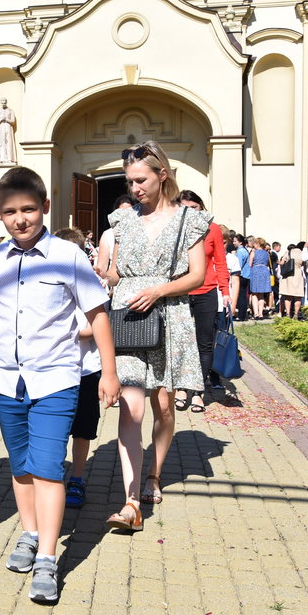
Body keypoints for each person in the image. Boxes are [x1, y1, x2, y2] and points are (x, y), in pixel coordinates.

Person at [0, 167, 119, 603]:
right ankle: (29, 533)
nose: (20, 219)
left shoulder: (68, 255)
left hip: (56, 380)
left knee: (47, 467)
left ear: (45, 207)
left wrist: (109, 371)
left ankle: (47, 557)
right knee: (21, 465)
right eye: (10, 212)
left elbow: (98, 313)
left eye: (28, 209)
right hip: (7, 379)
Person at [104, 141, 208, 532]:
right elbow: (116, 272)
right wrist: (103, 277)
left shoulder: (189, 220)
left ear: (162, 175)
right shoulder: (122, 220)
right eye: (130, 182)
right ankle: (131, 502)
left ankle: (154, 474)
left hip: (169, 316)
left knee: (163, 405)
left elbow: (197, 275)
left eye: (141, 180)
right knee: (130, 408)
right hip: (129, 319)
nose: (135, 189)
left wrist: (158, 290)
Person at [54, 227, 106, 510]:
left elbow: (95, 326)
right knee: (55, 429)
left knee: (83, 429)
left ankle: (76, 477)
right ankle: (52, 477)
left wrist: (61, 333)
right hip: (55, 369)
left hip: (85, 369)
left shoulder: (91, 282)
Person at [174, 190, 228, 412]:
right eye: (185, 208)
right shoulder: (176, 228)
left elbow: (220, 262)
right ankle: (181, 387)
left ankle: (197, 391)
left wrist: (225, 291)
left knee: (204, 343)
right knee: (181, 342)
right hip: (180, 291)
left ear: (201, 207)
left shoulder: (212, 229)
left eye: (194, 208)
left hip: (206, 291)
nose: (190, 213)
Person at [95, 194, 137, 279]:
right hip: (115, 280)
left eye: (128, 211)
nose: (124, 215)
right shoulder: (108, 234)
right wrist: (97, 272)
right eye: (121, 212)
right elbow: (102, 268)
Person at [278, 243, 305, 319]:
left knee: (288, 296)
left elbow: (282, 262)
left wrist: (276, 262)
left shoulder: (289, 252)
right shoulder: (303, 253)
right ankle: (296, 314)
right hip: (298, 274)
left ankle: (288, 314)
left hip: (289, 274)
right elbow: (304, 264)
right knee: (298, 296)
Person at [249, 237, 272, 320]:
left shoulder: (253, 252)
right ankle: (261, 313)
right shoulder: (267, 253)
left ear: (257, 244)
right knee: (261, 294)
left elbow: (250, 264)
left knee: (254, 293)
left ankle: (256, 313)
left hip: (256, 271)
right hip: (265, 271)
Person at [0, 98, 17, 165]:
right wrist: (1, 119)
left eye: (4, 103)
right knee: (1, 142)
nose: (3, 104)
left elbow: (13, 121)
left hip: (8, 127)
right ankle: (1, 158)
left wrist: (7, 119)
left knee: (8, 142)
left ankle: (10, 158)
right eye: (2, 103)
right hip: (1, 127)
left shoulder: (10, 111)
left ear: (6, 103)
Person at [234, 234, 251, 321]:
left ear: (240, 242)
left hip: (242, 275)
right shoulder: (245, 250)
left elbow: (238, 265)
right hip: (246, 275)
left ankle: (241, 315)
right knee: (243, 295)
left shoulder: (240, 252)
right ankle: (243, 315)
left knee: (240, 295)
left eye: (235, 241)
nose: (233, 243)